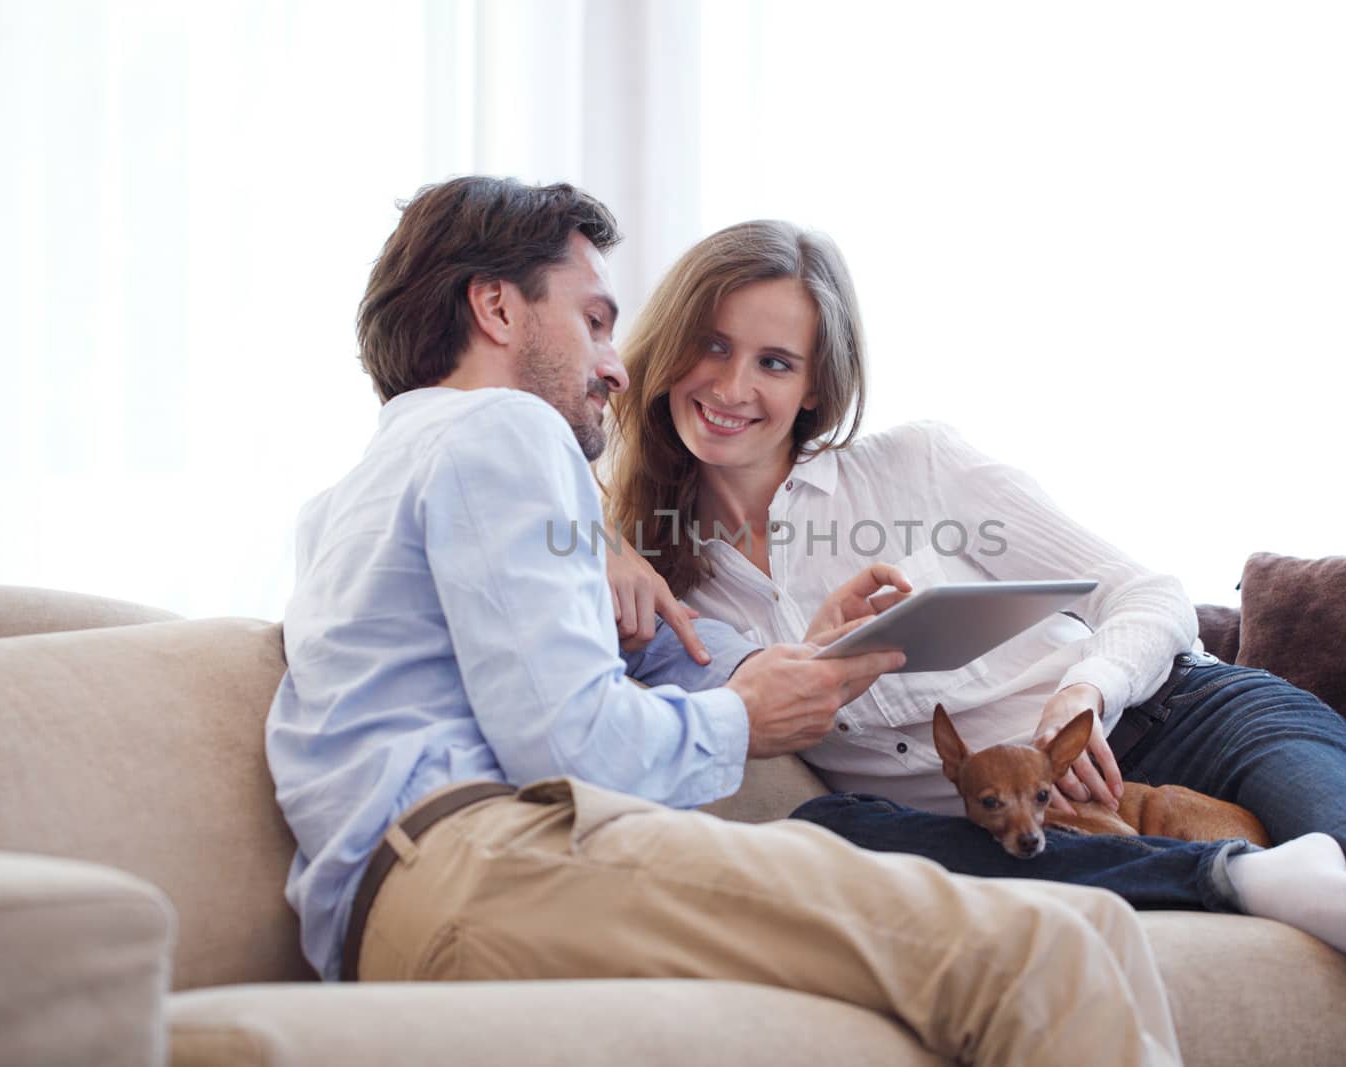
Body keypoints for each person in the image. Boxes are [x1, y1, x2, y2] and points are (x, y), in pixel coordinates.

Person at [264, 176, 1190, 1067]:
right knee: (1047, 955)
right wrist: (743, 717)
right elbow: (567, 743)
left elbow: (635, 663)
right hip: (486, 864)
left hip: (402, 900)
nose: (615, 367)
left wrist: (629, 568)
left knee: (1094, 925)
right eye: (592, 320)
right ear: (498, 311)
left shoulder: (347, 498)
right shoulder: (505, 428)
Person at [603, 219, 1346, 1066]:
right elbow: (736, 710)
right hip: (1002, 812)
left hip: (1181, 715)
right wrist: (805, 649)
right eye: (713, 345)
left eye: (775, 361)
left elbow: (1141, 590)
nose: (733, 385)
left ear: (817, 387)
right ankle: (1246, 878)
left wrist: (1088, 695)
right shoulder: (663, 572)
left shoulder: (916, 465)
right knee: (830, 834)